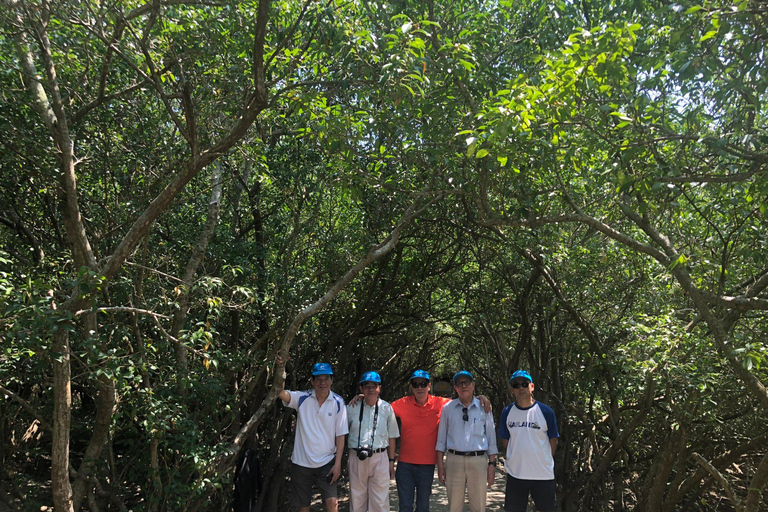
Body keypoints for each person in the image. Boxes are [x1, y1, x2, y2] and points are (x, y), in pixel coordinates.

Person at [390, 370, 493, 512]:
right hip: (405, 464)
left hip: (427, 465)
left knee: (423, 506)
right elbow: (381, 409)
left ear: (429, 385)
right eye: (416, 384)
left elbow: (465, 399)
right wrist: (363, 398)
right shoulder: (402, 403)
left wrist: (482, 398)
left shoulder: (441, 404)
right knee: (405, 506)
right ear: (411, 387)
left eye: (423, 384)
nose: (420, 387)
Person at [277, 361, 348, 512]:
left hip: (327, 462)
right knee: (303, 507)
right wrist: (280, 368)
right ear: (312, 381)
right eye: (318, 379)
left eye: (326, 379)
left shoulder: (338, 402)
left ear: (331, 380)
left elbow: (340, 435)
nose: (322, 383)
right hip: (301, 462)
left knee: (333, 504)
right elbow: (281, 393)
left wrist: (338, 463)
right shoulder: (302, 398)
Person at [436, 371, 498, 512]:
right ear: (455, 388)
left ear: (473, 385)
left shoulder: (485, 408)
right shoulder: (448, 409)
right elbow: (441, 441)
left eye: (467, 382)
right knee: (454, 506)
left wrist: (492, 465)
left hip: (478, 461)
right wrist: (440, 466)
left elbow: (491, 439)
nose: (463, 386)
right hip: (454, 461)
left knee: (479, 506)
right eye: (459, 383)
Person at [497, 370, 559, 512]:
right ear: (512, 389)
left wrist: (542, 458)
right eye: (516, 385)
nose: (521, 388)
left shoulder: (545, 412)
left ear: (532, 387)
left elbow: (553, 441)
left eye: (524, 384)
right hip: (516, 474)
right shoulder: (507, 412)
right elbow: (506, 440)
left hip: (542, 475)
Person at [346, 371, 400, 512]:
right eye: (366, 386)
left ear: (379, 388)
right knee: (357, 498)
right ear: (361, 389)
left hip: (380, 457)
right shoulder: (352, 407)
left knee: (380, 501)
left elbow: (392, 436)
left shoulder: (386, 408)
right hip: (356, 456)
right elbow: (341, 433)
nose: (370, 389)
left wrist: (391, 460)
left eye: (374, 386)